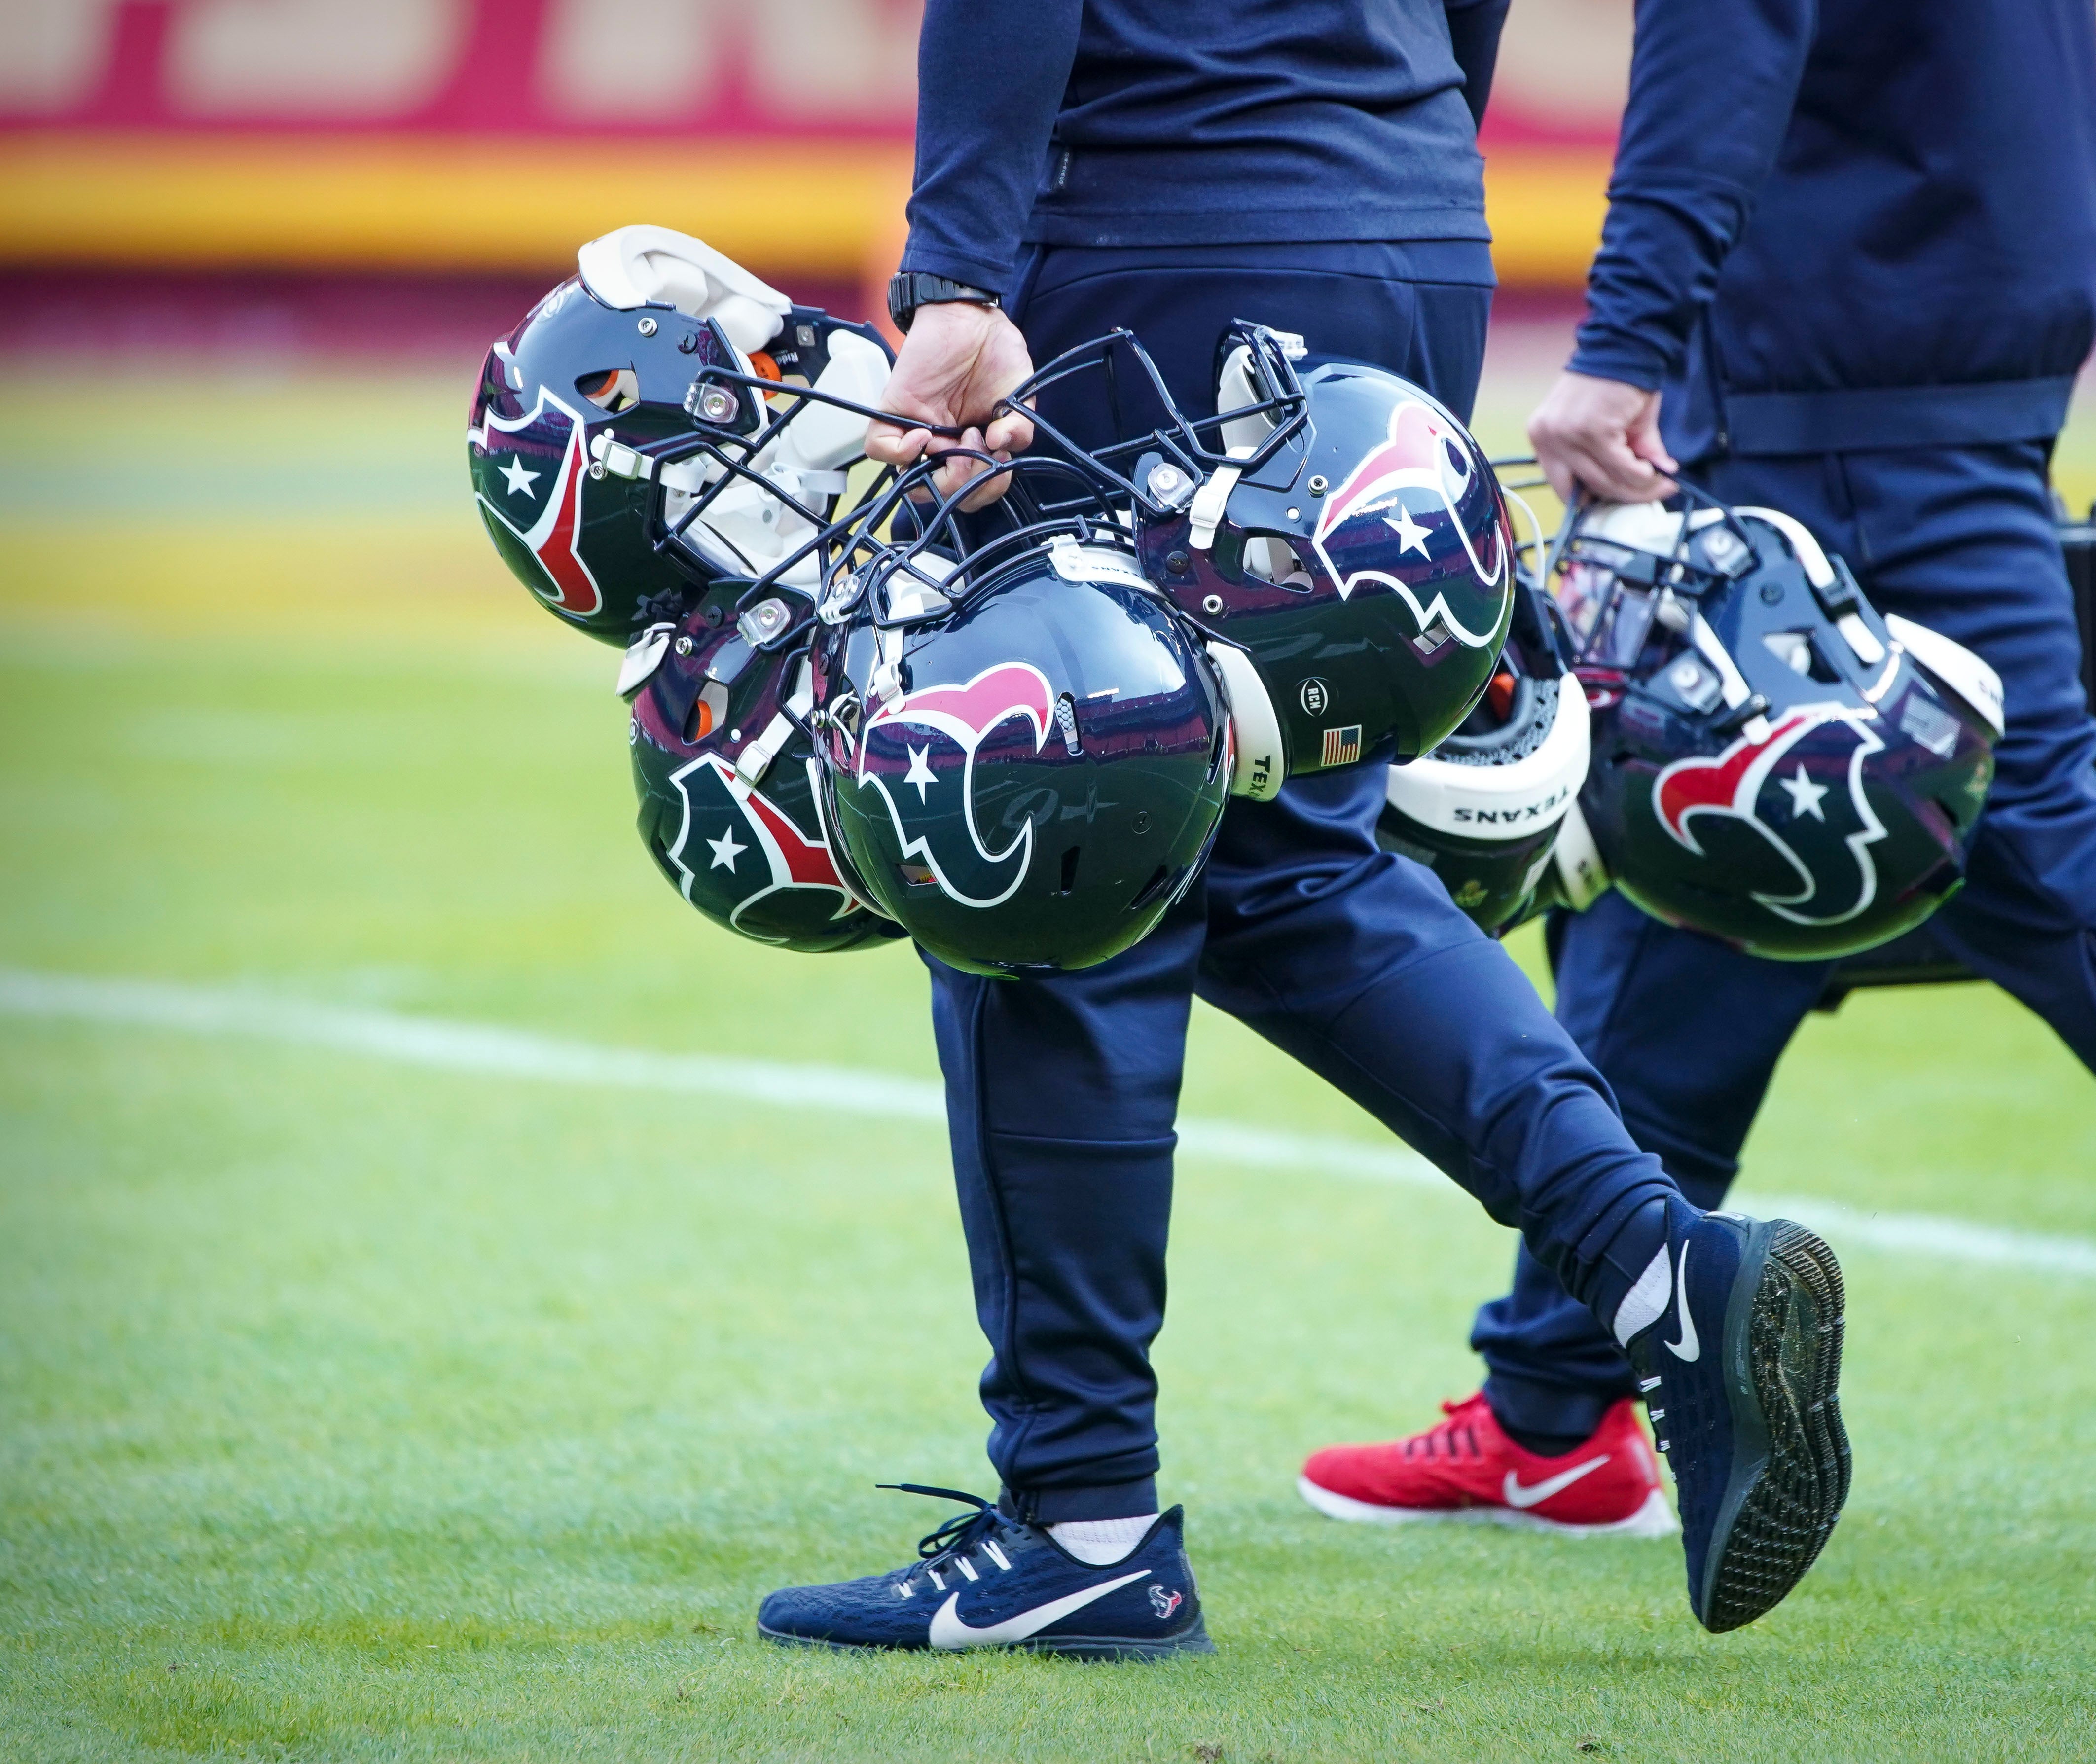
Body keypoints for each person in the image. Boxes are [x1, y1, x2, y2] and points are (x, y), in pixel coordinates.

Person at [1296, 0, 2096, 1584]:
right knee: (1703, 844)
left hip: (1857, 355)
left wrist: (1629, 343)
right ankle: (1557, 1401)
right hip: (1927, 308)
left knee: (2023, 843)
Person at [753, 0, 1852, 1659]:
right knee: (1292, 860)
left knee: (1044, 833)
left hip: (1149, 228)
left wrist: (960, 268)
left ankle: (1082, 1518)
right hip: (1399, 224)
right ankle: (1655, 1268)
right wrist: (1382, 152)